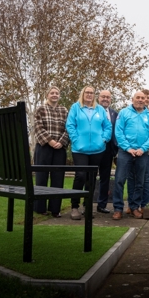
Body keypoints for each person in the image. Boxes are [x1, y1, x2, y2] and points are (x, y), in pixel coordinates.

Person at [66, 86, 112, 220]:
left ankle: (88, 206)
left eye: (92, 93)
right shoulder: (75, 107)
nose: (89, 95)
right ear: (83, 93)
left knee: (91, 178)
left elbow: (107, 126)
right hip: (79, 149)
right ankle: (75, 207)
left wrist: (104, 139)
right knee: (80, 175)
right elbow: (70, 125)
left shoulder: (100, 110)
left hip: (97, 149)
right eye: (87, 92)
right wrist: (76, 140)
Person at [112, 91, 149, 220]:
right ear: (132, 99)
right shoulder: (124, 113)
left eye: (143, 98)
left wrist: (143, 149)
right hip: (125, 152)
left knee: (139, 182)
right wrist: (128, 148)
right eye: (138, 97)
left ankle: (134, 207)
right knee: (120, 180)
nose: (140, 100)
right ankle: (118, 208)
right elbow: (118, 131)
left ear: (146, 100)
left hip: (142, 153)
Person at [33, 86, 69, 218]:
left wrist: (61, 141)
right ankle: (40, 207)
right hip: (44, 147)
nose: (54, 95)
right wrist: (50, 141)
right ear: (47, 95)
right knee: (41, 178)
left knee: (58, 179)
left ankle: (55, 209)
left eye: (57, 93)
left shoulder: (64, 110)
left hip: (60, 148)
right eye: (52, 93)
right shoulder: (40, 109)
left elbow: (68, 128)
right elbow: (38, 127)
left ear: (59, 95)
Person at [95, 89, 118, 214]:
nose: (105, 99)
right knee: (90, 177)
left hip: (108, 150)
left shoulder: (114, 113)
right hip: (93, 149)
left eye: (108, 97)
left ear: (110, 99)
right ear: (98, 98)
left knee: (105, 178)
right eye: (103, 96)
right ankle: (86, 205)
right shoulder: (93, 111)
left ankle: (102, 205)